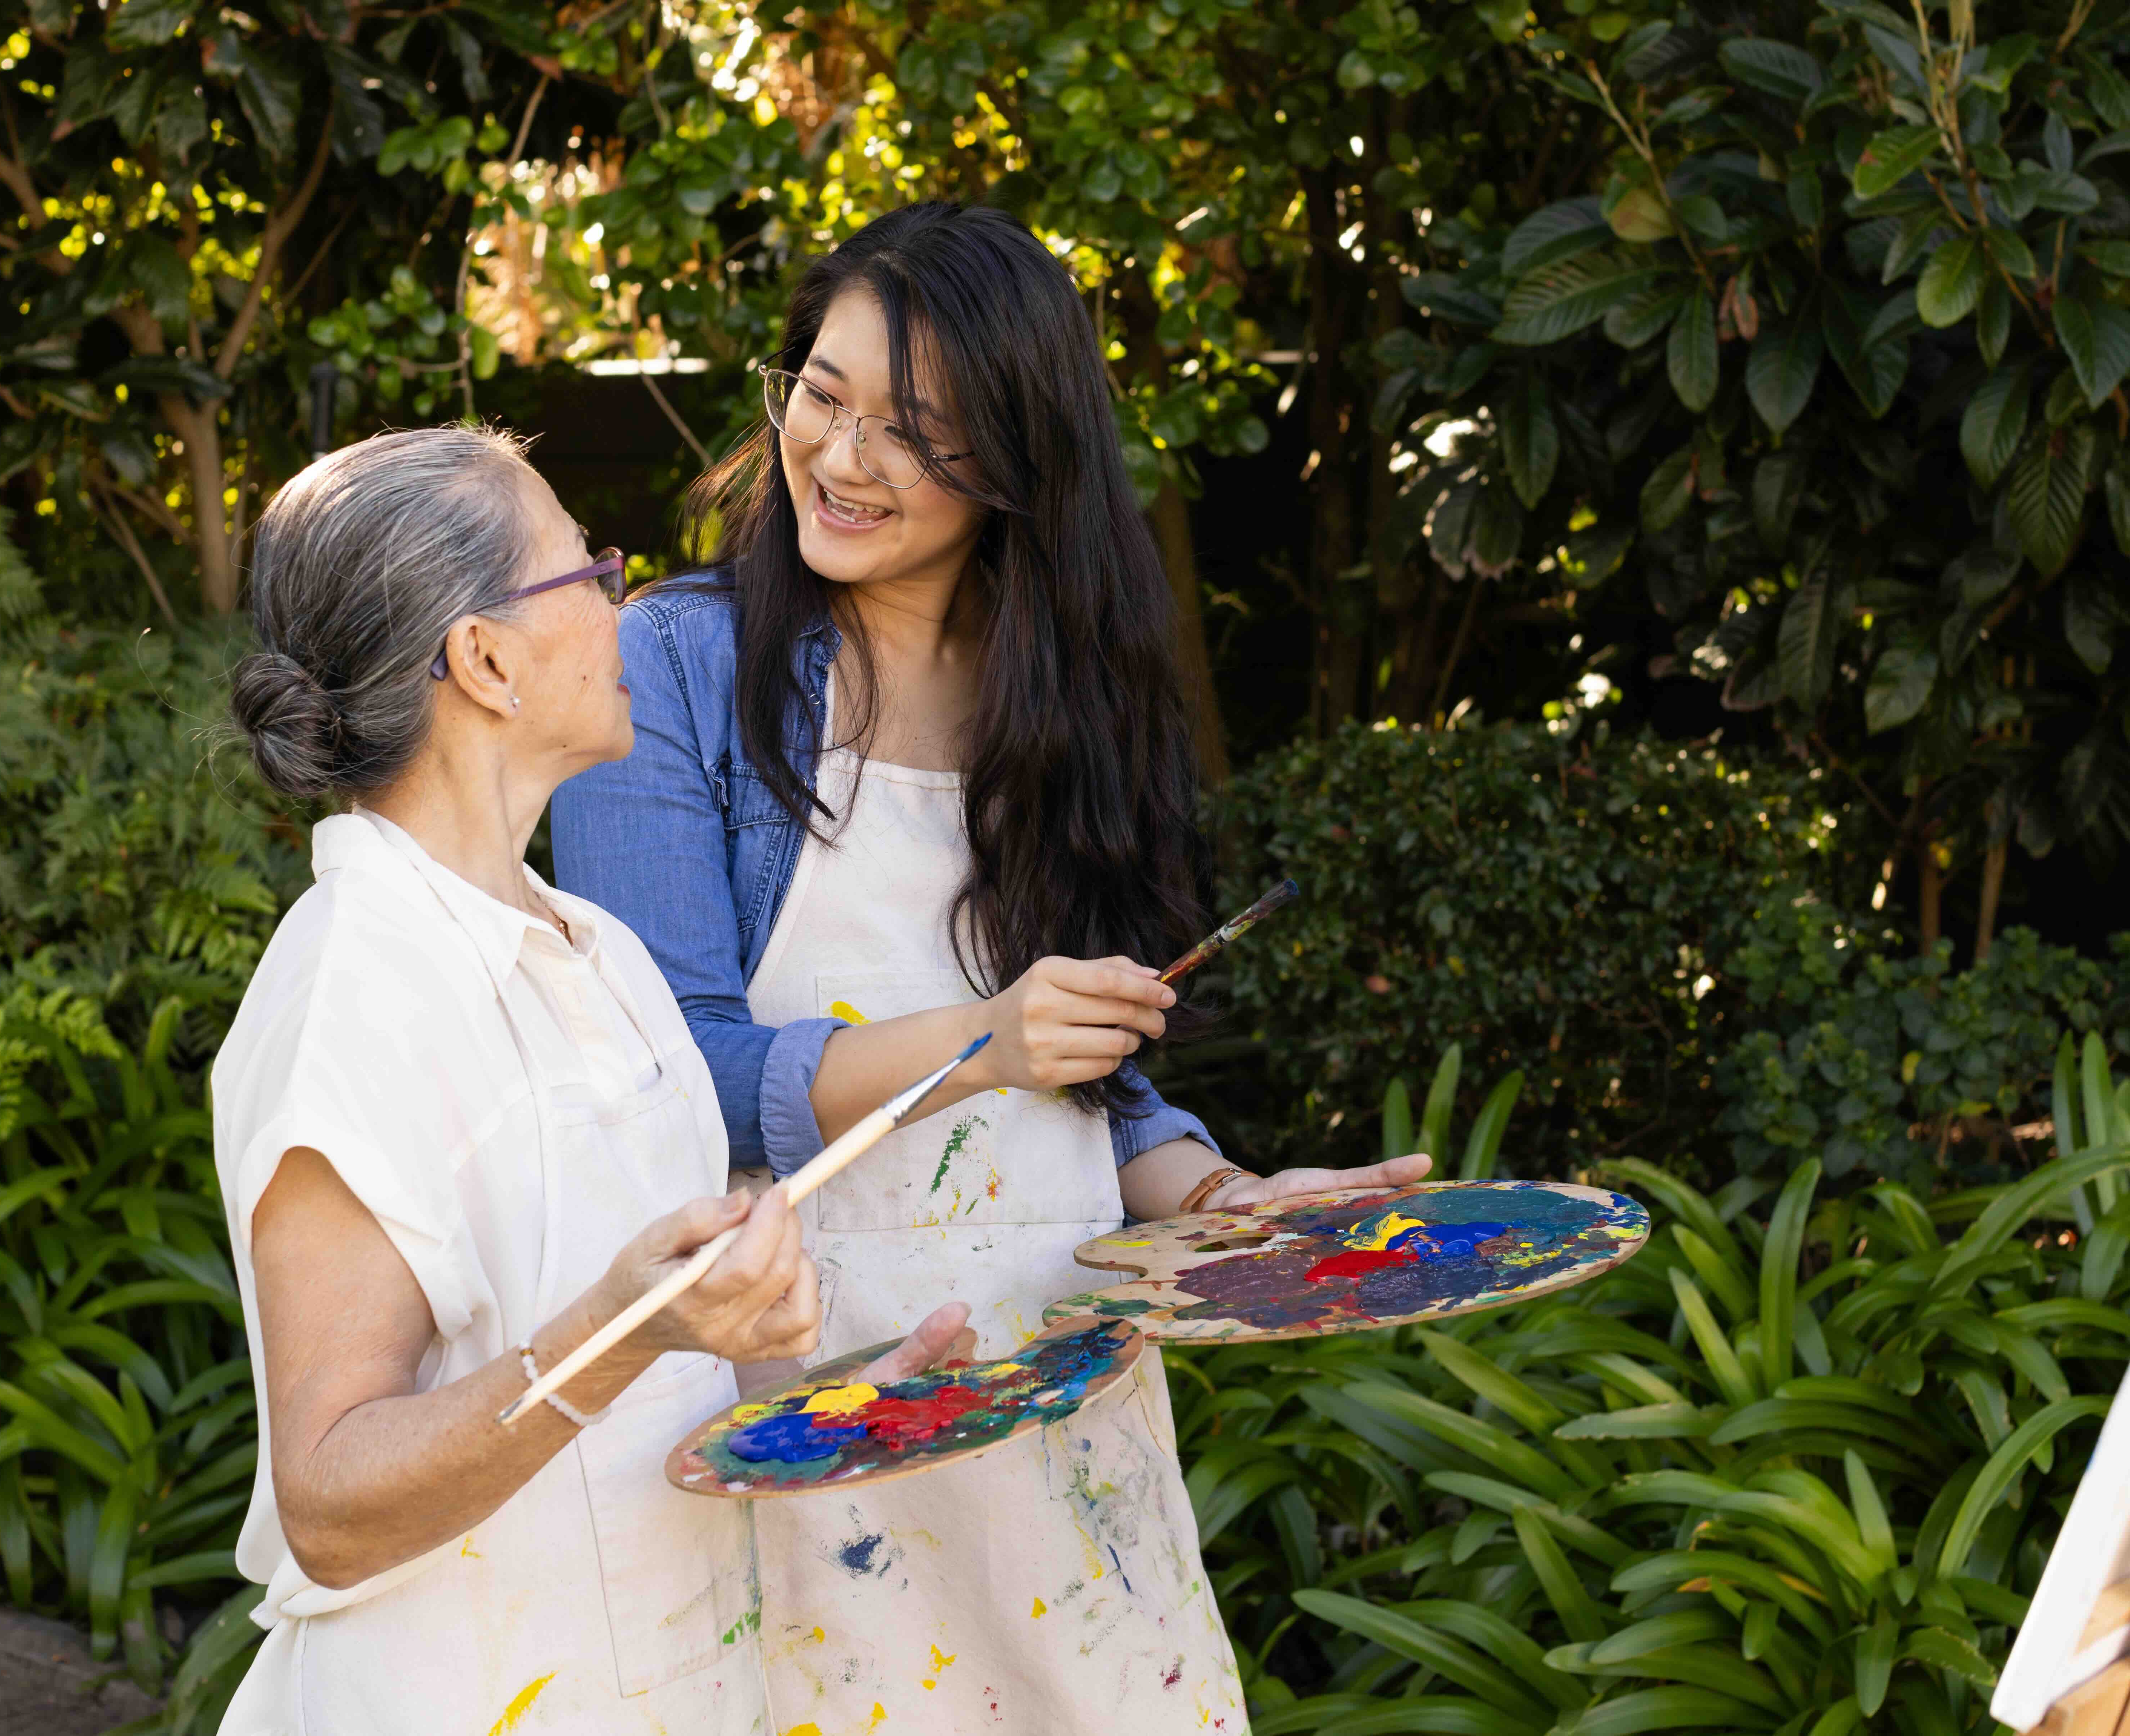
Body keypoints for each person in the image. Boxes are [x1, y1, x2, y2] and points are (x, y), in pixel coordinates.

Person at [552, 202, 1428, 1733]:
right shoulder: (671, 662)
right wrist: (981, 1043)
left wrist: (1223, 1206)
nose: (843, 458)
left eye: (916, 430)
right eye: (824, 394)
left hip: (1053, 1395)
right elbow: (661, 1076)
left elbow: (1096, 1077)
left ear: (1018, 462)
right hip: (806, 1403)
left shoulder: (1072, 710)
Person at [208, 425, 969, 1736]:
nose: (628, 601)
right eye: (590, 573)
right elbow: (328, 1505)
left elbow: (663, 1357)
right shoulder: (351, 991)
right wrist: (622, 1331)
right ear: (485, 659)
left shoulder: (599, 950)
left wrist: (846, 1403)